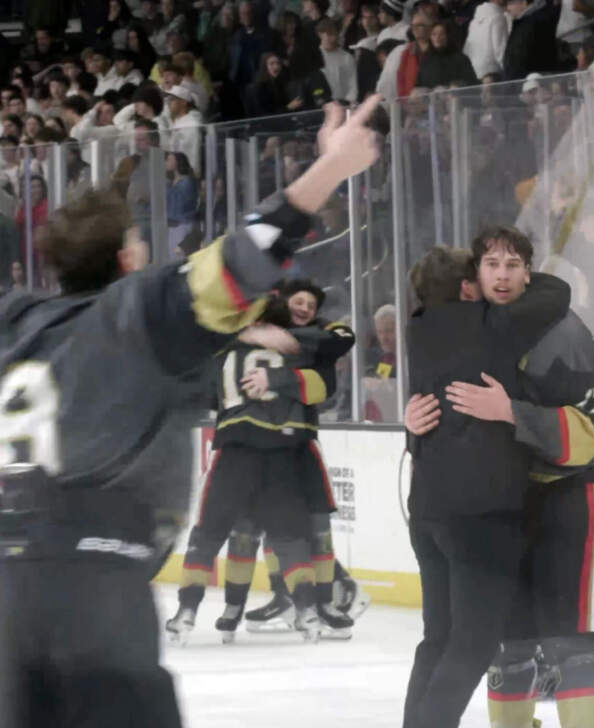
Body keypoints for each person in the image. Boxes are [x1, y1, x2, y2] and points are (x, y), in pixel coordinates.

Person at [0, 96, 381, 727]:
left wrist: (233, 339)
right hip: (93, 591)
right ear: (127, 259)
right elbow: (242, 259)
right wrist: (331, 170)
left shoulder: (17, 322)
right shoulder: (139, 314)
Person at [407, 226, 594, 728]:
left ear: (529, 271)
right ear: (473, 278)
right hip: (513, 505)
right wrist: (414, 421)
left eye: (513, 265)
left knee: (570, 643)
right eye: (491, 265)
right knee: (510, 645)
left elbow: (593, 430)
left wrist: (514, 412)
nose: (502, 276)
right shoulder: (473, 332)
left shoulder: (561, 333)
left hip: (579, 498)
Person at [402, 243, 570, 728]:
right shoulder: (491, 326)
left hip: (430, 509)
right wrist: (515, 277)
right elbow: (556, 292)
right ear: (466, 287)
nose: (498, 280)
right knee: (473, 642)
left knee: (438, 637)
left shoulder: (417, 327)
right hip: (478, 515)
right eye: (486, 272)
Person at [165, 289, 355, 643]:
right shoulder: (295, 351)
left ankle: (187, 611)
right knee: (290, 538)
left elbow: (198, 387)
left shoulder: (221, 349)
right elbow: (324, 384)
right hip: (282, 451)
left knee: (208, 534)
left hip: (236, 448)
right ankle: (308, 610)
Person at [225, 280, 372, 632]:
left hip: (298, 444)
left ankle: (337, 589)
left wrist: (278, 349)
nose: (304, 307)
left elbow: (343, 340)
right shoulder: (254, 332)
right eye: (298, 301)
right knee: (271, 523)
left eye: (311, 303)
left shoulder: (321, 336)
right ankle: (286, 594)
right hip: (261, 443)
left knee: (307, 524)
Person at [415, 19, 478, 89]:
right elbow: (419, 85)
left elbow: (473, 84)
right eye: (434, 34)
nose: (437, 37)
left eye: (441, 34)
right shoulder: (426, 61)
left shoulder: (460, 59)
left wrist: (457, 86)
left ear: (448, 36)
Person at [318, 16, 359, 103]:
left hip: (342, 105)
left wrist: (347, 103)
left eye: (335, 34)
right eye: (329, 34)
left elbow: (353, 86)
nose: (333, 38)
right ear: (320, 34)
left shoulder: (347, 58)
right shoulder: (312, 57)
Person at [166, 151, 198, 256]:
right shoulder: (172, 182)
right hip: (172, 227)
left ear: (177, 162)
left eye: (170, 160)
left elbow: (179, 206)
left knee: (179, 257)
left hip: (182, 226)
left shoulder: (185, 182)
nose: (166, 163)